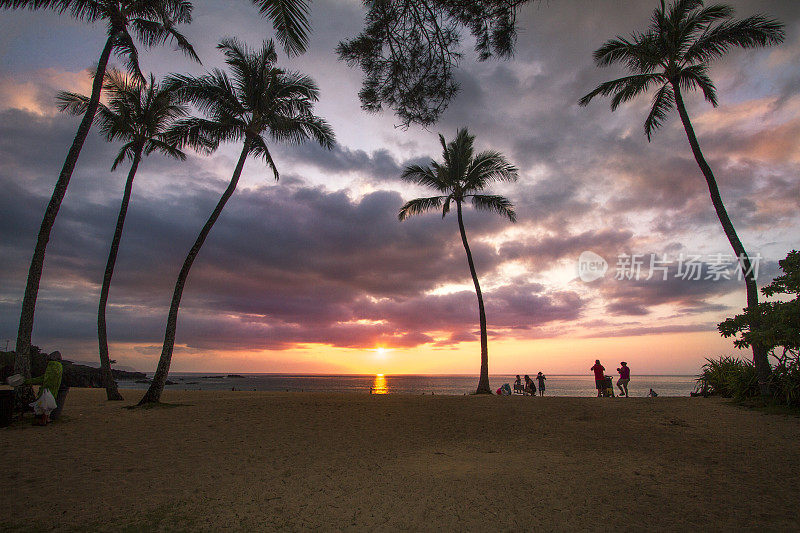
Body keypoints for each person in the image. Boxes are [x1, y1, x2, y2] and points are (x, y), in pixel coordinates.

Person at [25, 352, 63, 425]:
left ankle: (43, 421)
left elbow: (45, 378)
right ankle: (46, 419)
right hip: (54, 389)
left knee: (43, 406)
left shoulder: (52, 365)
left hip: (47, 389)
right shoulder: (60, 366)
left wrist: (27, 381)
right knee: (48, 406)